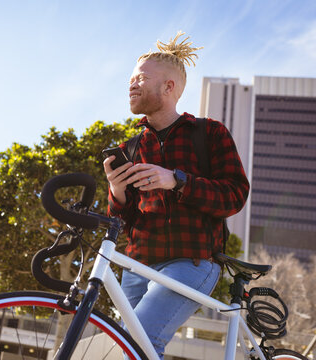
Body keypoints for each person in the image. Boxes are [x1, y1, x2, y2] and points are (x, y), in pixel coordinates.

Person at [103, 32, 250, 359]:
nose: (132, 85)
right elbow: (123, 218)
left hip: (192, 261)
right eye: (130, 79)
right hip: (136, 264)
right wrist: (116, 190)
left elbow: (236, 194)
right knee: (120, 350)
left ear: (169, 87)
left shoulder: (208, 132)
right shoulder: (132, 147)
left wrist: (178, 181)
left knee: (138, 341)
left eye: (141, 78)